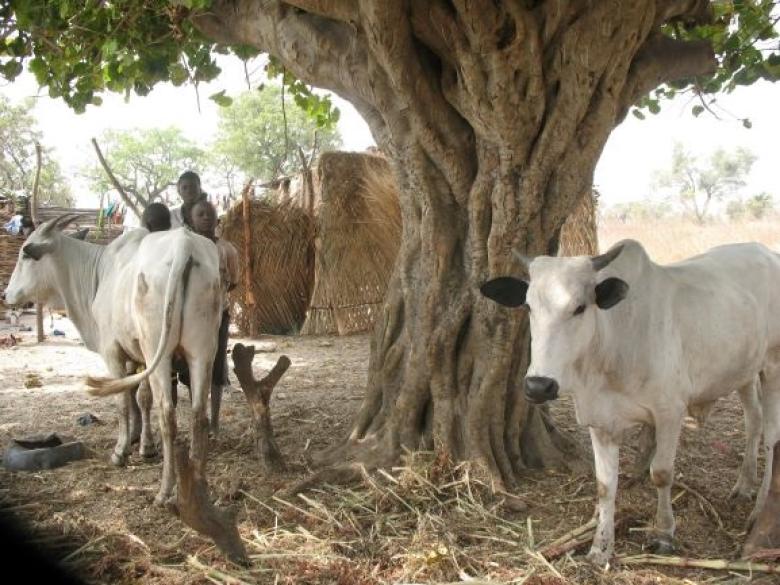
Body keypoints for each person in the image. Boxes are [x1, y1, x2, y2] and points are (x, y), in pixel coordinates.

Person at [189, 199, 239, 435]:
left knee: (217, 367)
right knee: (192, 368)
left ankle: (216, 422)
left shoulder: (227, 250)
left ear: (218, 221)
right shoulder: (186, 247)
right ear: (191, 220)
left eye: (210, 215)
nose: (205, 218)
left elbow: (233, 282)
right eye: (200, 214)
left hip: (219, 315)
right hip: (191, 319)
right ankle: (198, 418)